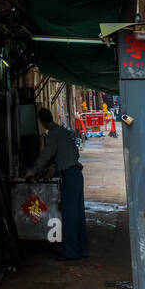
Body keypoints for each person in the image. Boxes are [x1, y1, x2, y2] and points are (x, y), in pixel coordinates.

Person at [25, 108, 88, 260]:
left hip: (70, 177)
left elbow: (47, 154)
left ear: (41, 122)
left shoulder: (53, 134)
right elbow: (74, 153)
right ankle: (82, 249)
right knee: (79, 215)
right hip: (77, 175)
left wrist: (33, 170)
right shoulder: (63, 131)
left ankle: (71, 252)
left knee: (69, 216)